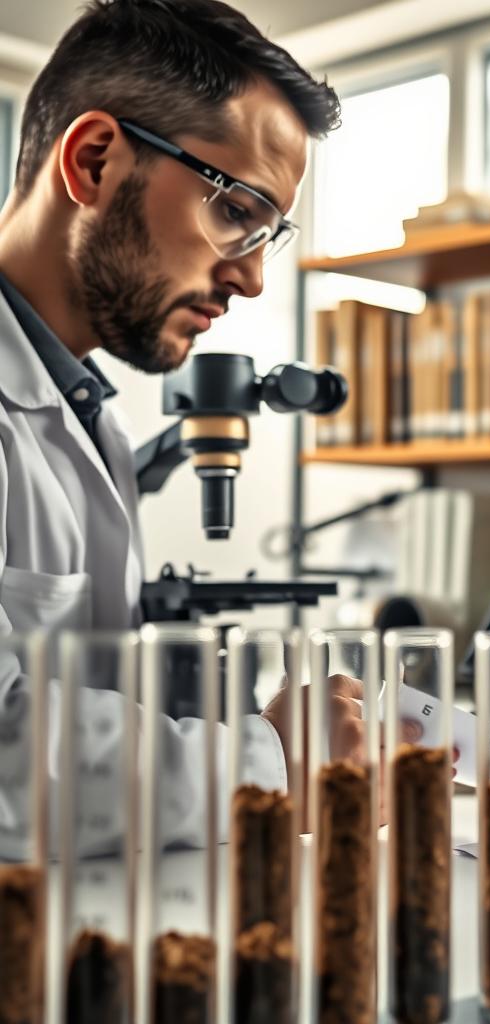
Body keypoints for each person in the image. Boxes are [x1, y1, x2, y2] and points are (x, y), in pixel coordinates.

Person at [0, 0, 375, 851]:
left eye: (268, 235)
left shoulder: (85, 414)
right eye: (236, 210)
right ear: (95, 161)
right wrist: (271, 759)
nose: (250, 281)